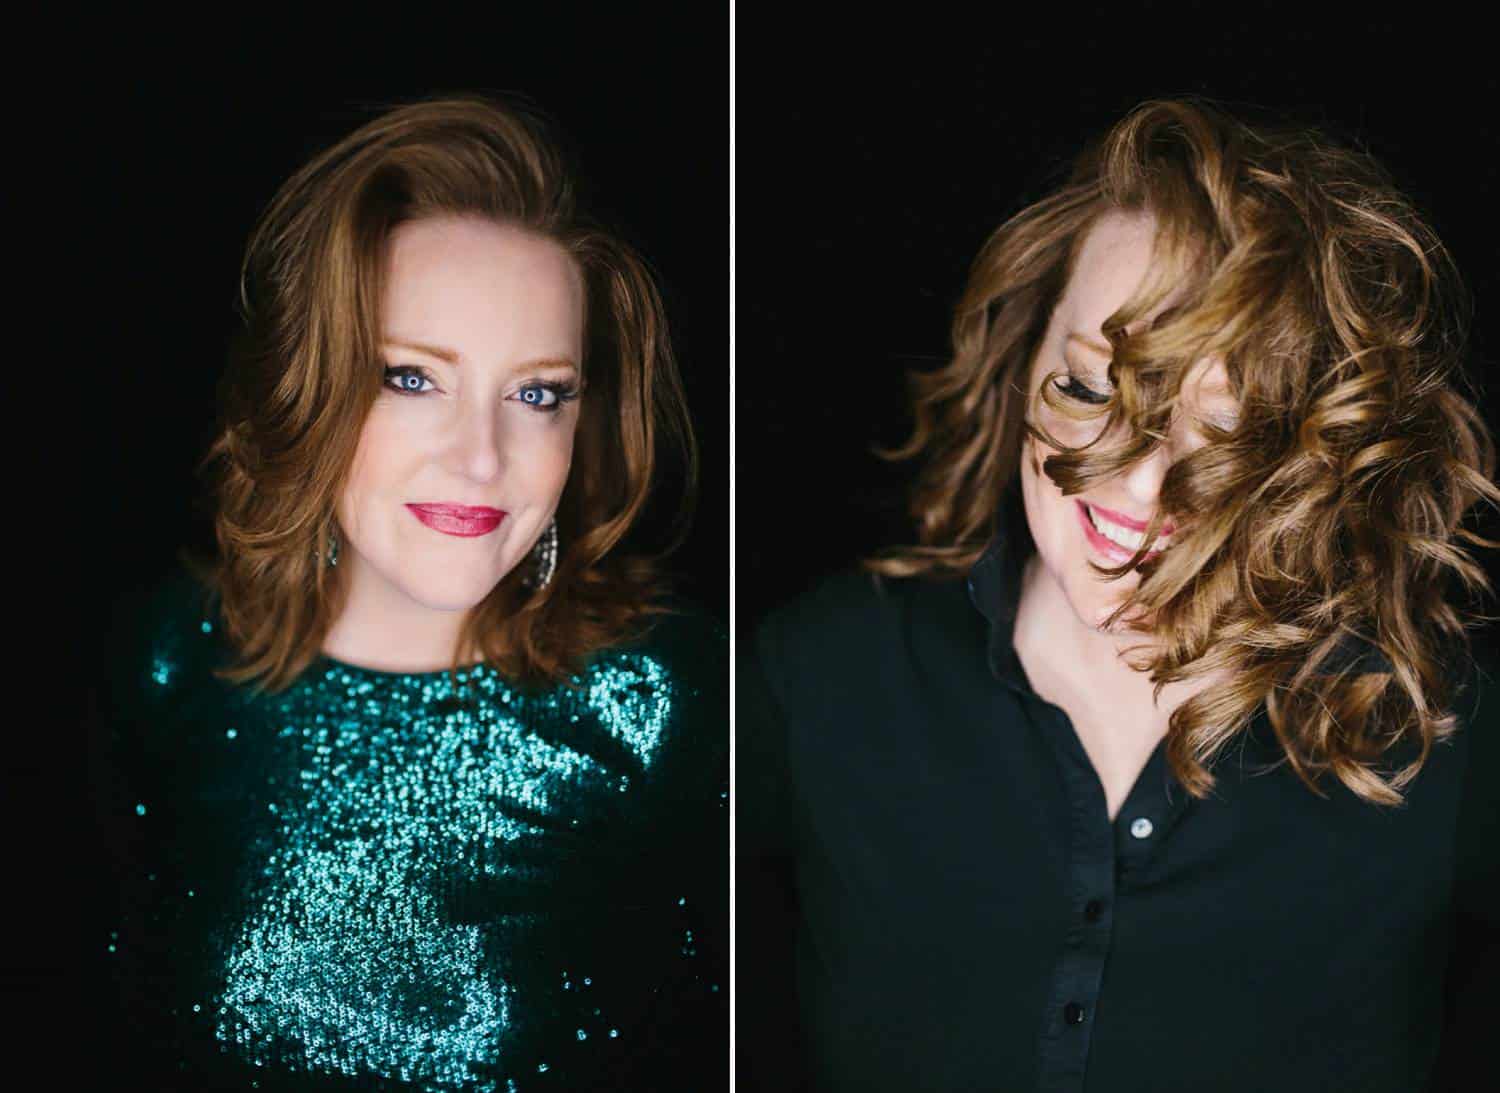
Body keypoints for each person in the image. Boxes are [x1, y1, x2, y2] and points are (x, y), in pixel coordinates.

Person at [738, 96, 1499, 1092]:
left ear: (1320, 452)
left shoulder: (1447, 752)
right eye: (1092, 389)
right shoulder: (816, 676)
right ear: (1025, 358)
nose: (1139, 483)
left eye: (1225, 434)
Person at [85, 94, 726, 1092]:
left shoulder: (672, 703)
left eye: (538, 393)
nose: (482, 460)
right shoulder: (171, 657)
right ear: (309, 383)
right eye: (411, 378)